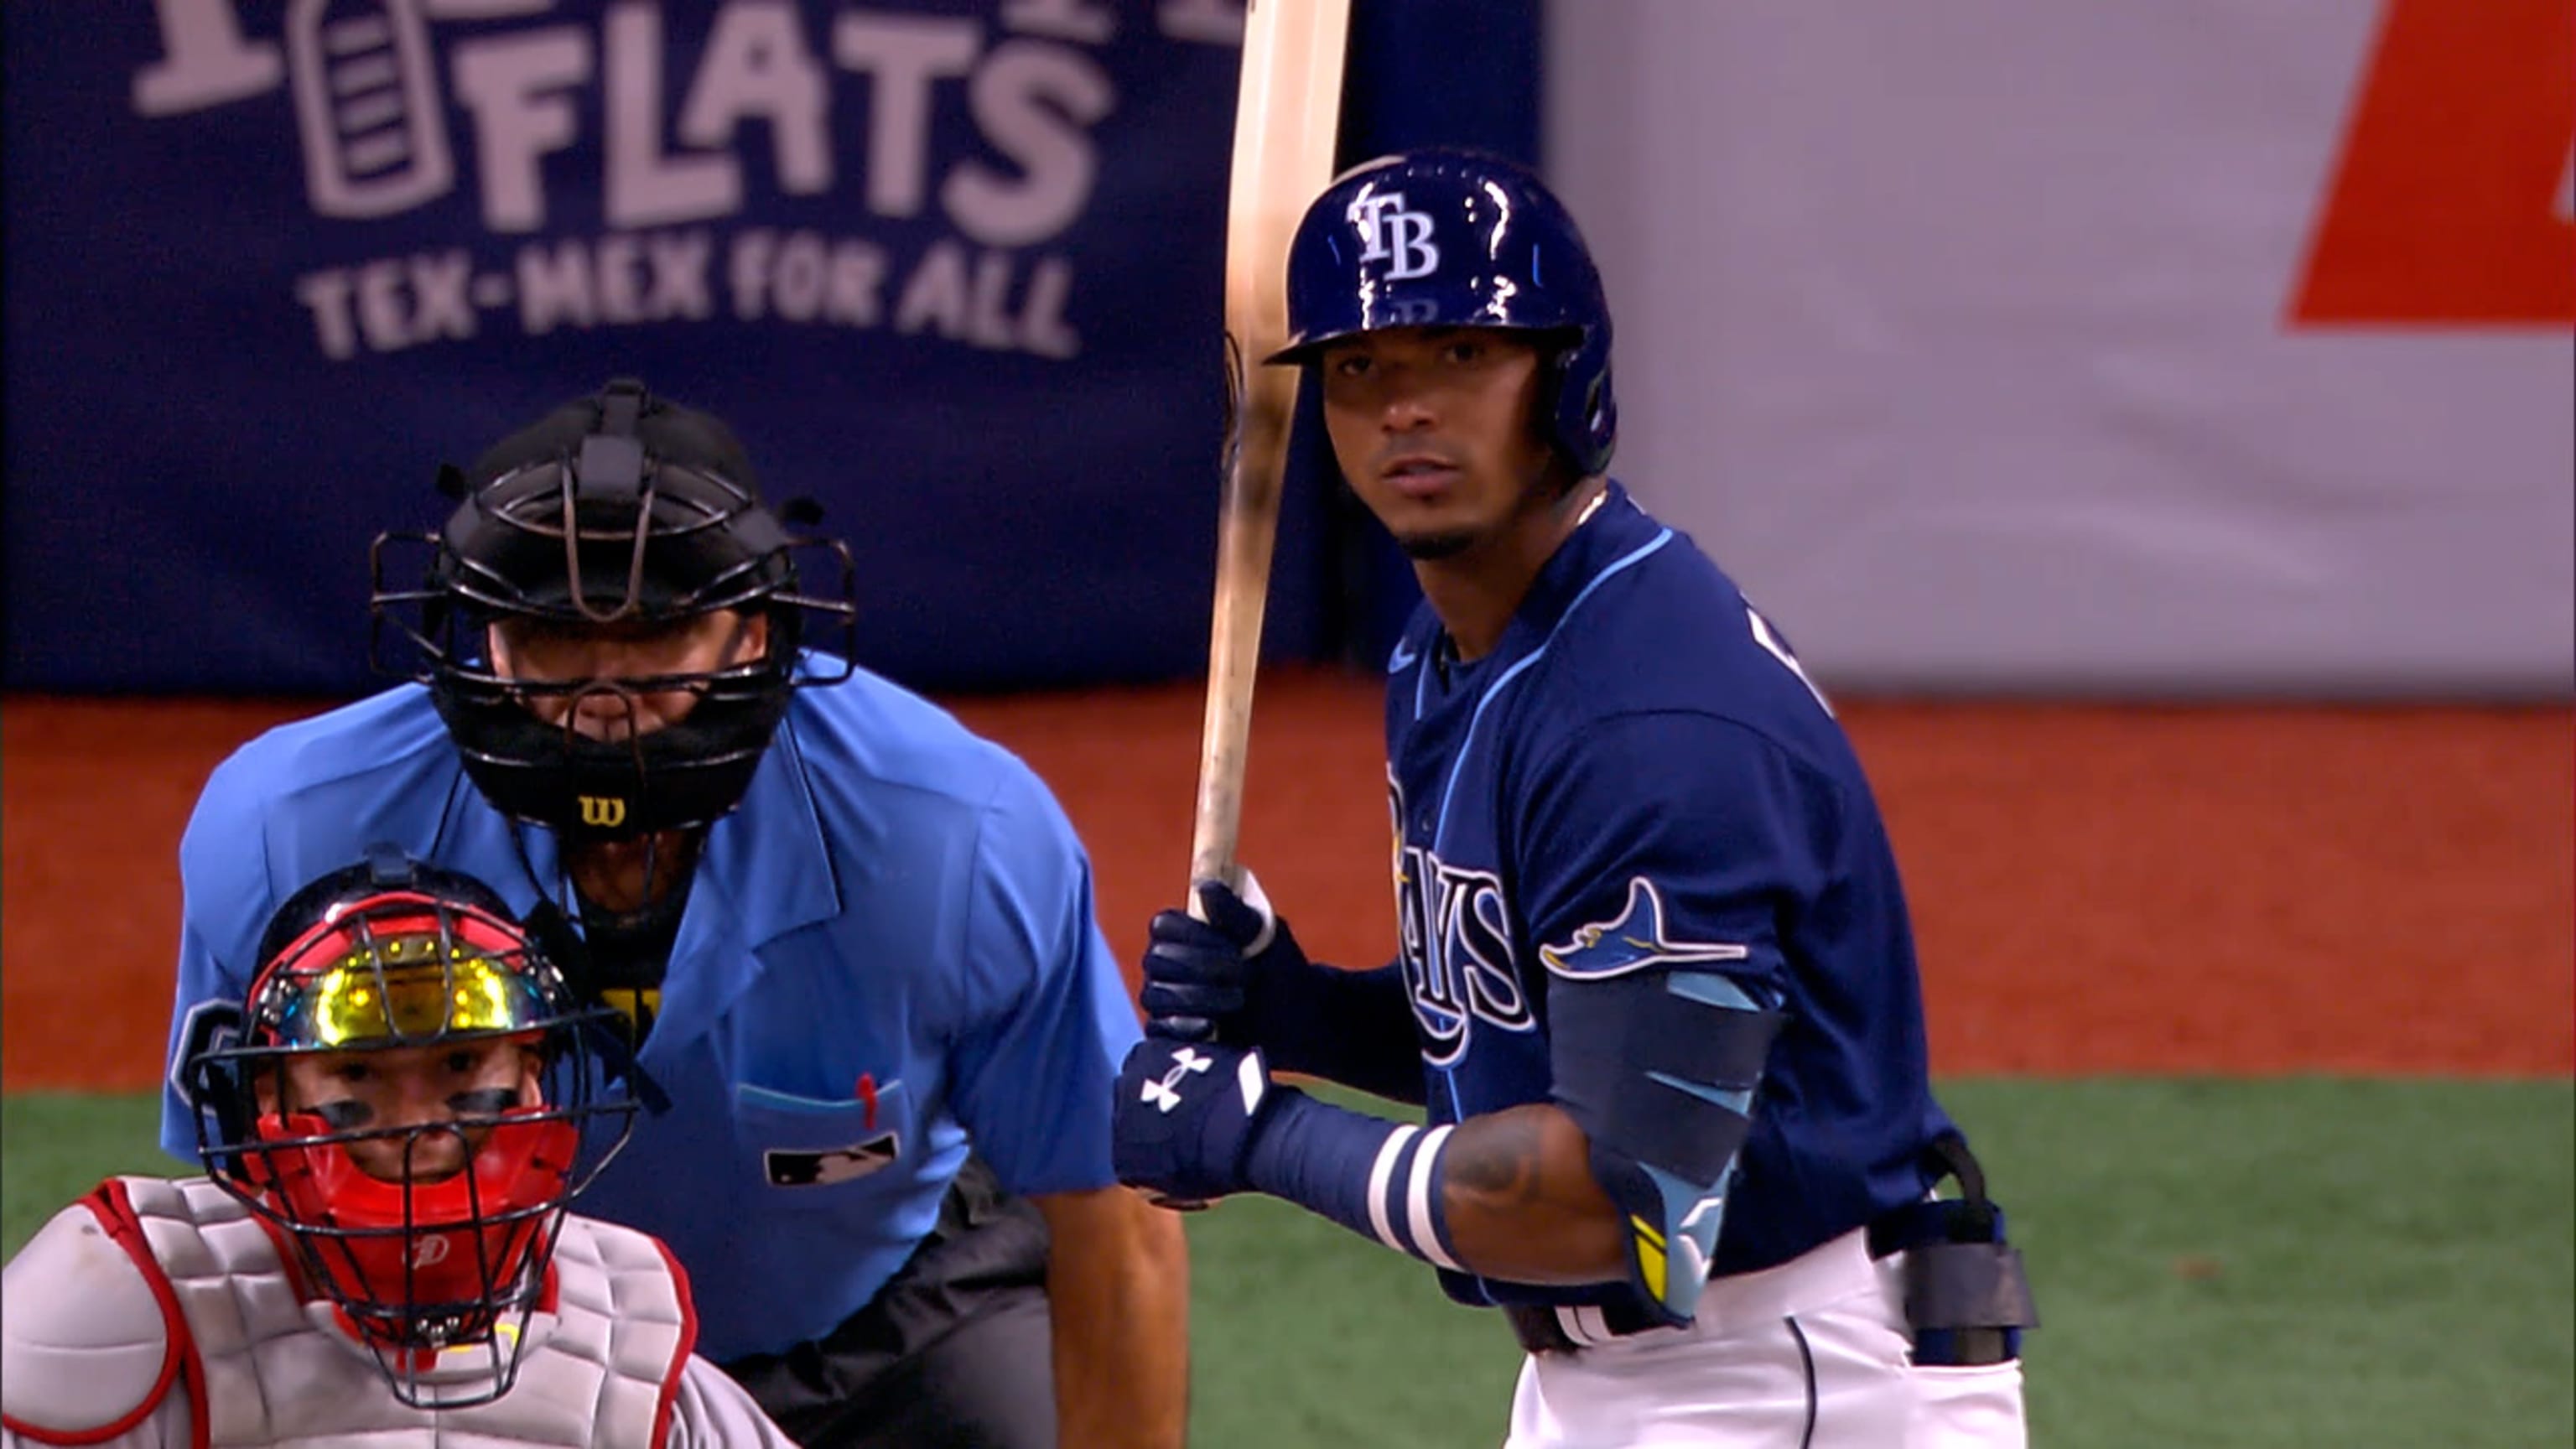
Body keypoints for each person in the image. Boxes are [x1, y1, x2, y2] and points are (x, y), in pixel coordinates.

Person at [1109, 149, 2038, 1447]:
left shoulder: (1646, 726)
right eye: (1361, 369)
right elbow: (1550, 1036)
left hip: (1788, 1376)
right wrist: (1307, 1012)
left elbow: (1616, 1202)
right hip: (1631, 1370)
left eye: (1461, 356)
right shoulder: (1458, 652)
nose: (1406, 409)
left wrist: (1261, 1133)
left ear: (1566, 378)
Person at [157, 379, 1189, 1448]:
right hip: (473, 1353)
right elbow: (244, 1217)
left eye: (659, 633)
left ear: (750, 634)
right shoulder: (289, 828)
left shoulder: (956, 833)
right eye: (551, 634)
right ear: (487, 640)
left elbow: (1114, 1213)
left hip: (888, 1334)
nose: (604, 697)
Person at [5, 850, 797, 1446]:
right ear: (271, 1097)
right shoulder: (119, 1312)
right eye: (357, 1072)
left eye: (460, 1064)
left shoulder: (629, 1335)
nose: (417, 1123)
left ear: (532, 1076)